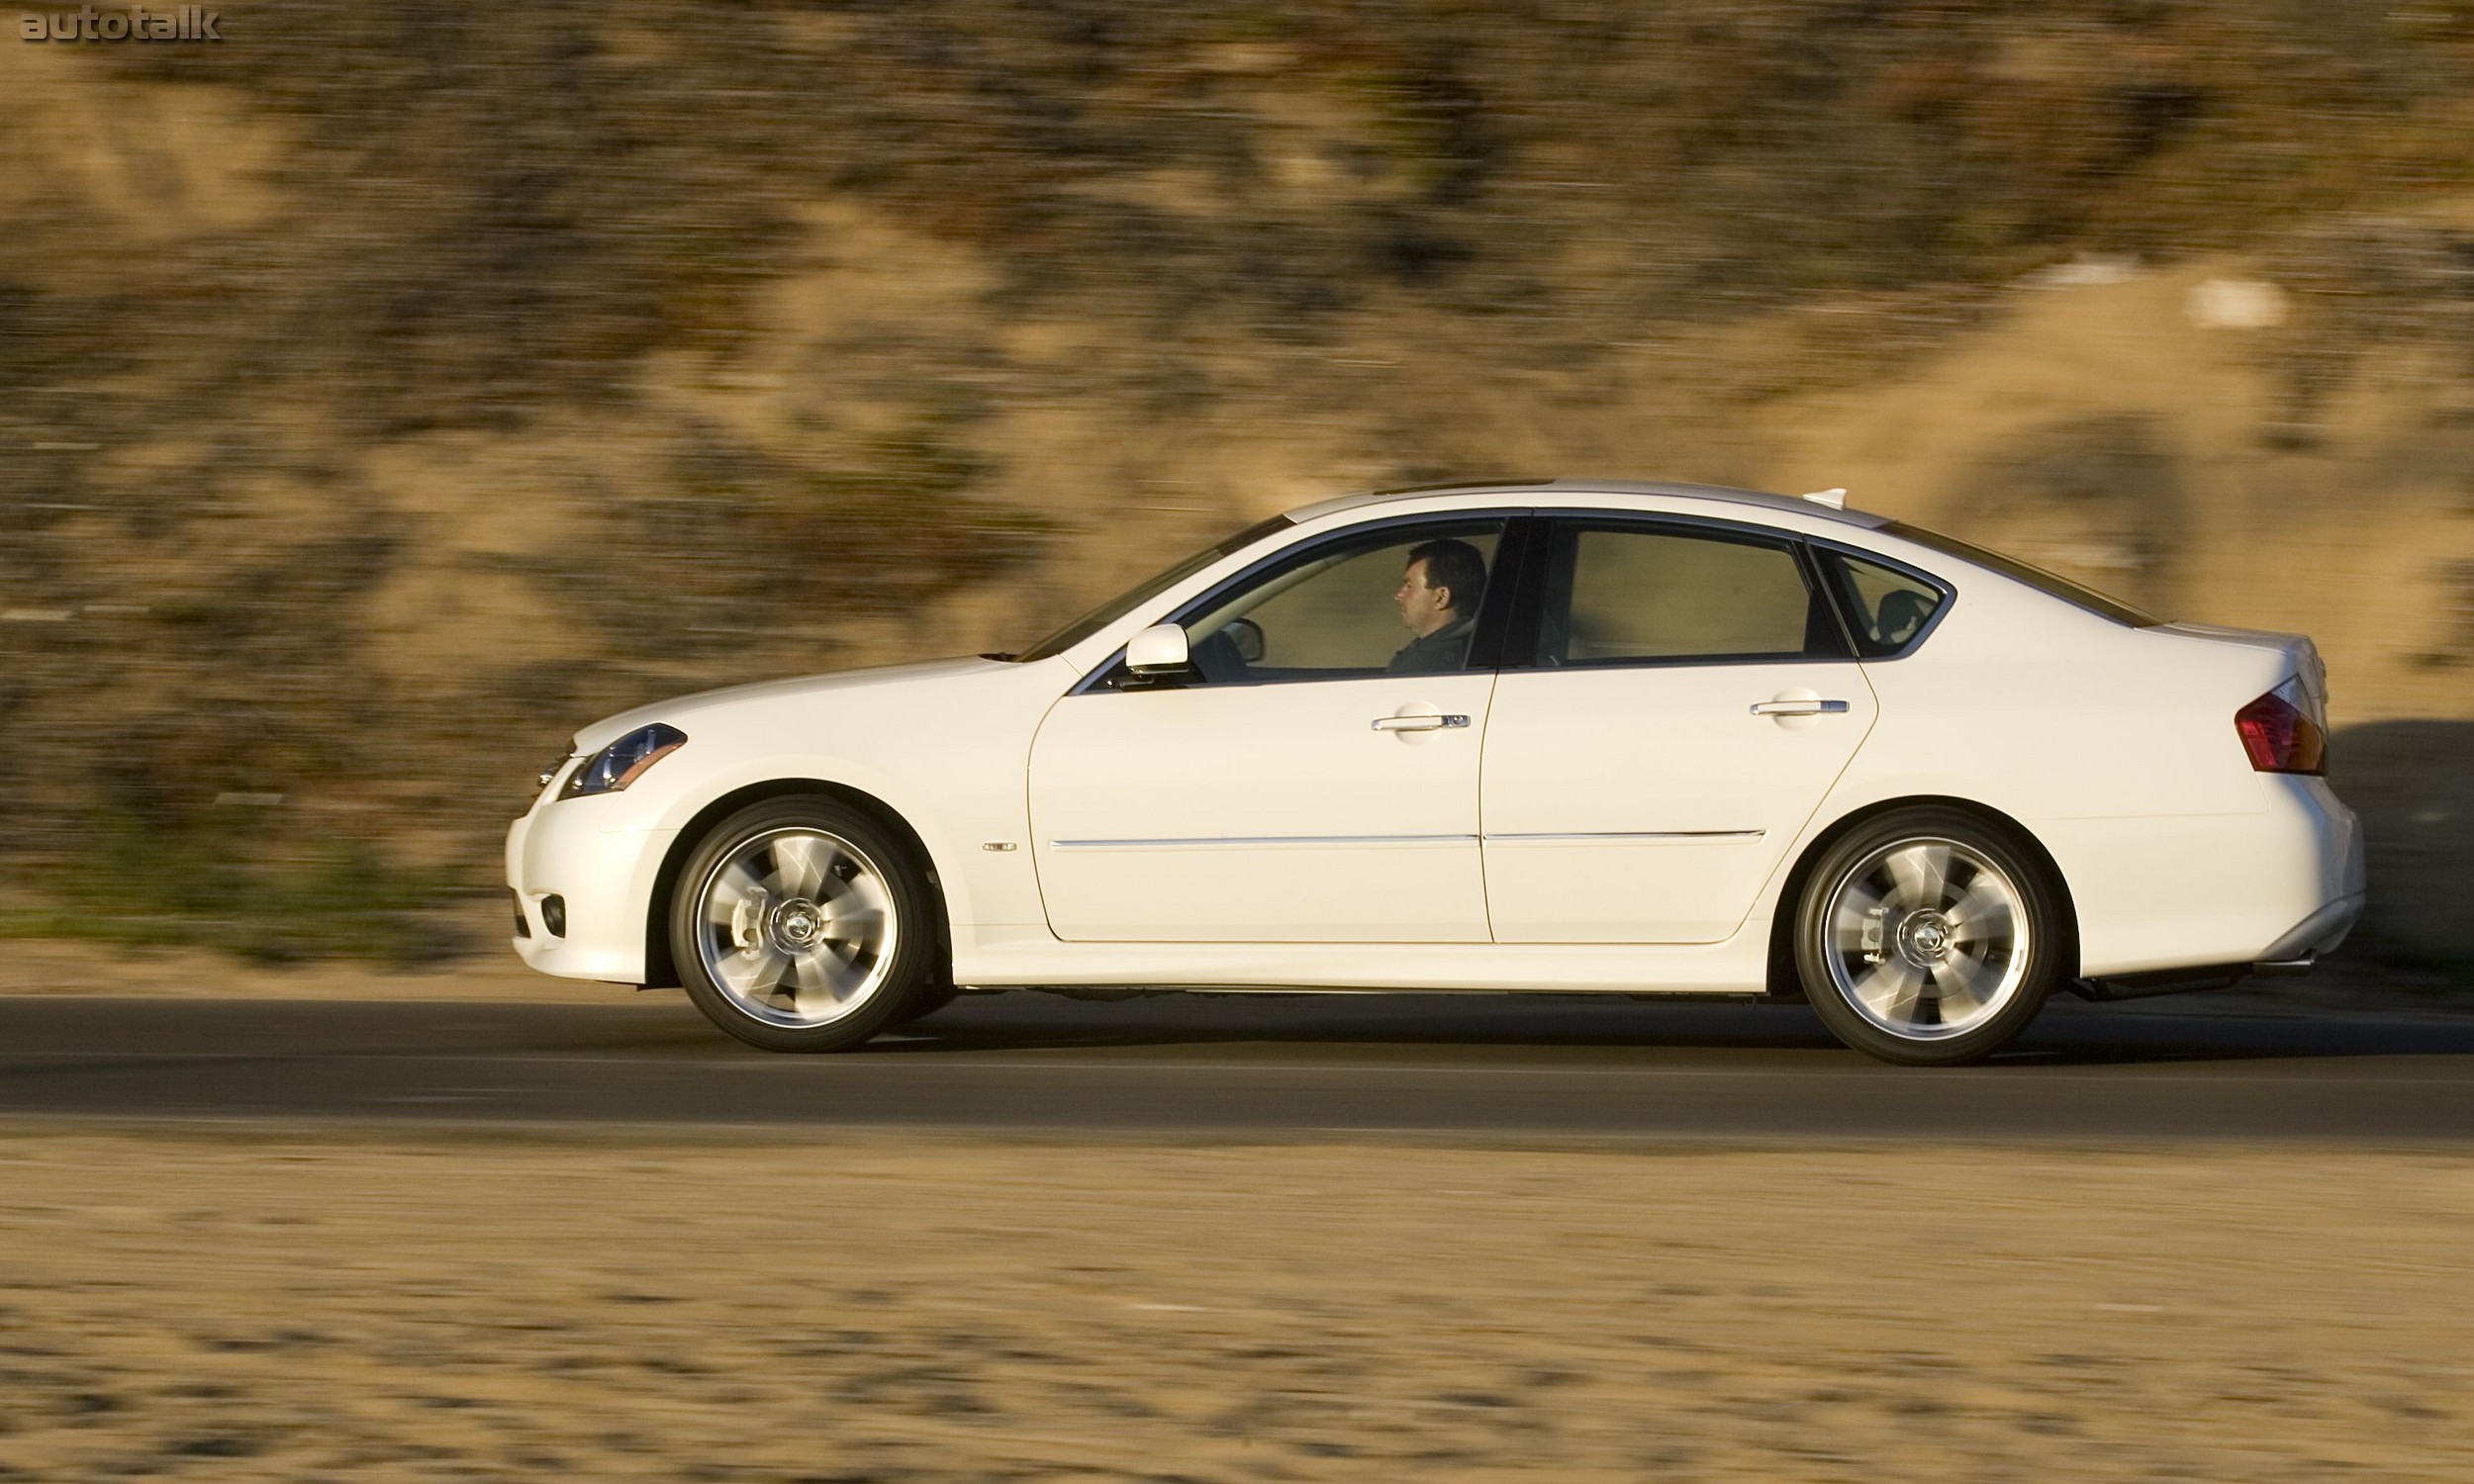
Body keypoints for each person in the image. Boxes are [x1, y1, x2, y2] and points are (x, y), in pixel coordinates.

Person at [1386, 538, 1486, 674]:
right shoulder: (1476, 646)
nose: (1398, 595)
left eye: (1409, 586)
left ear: (1441, 597)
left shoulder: (1425, 664)